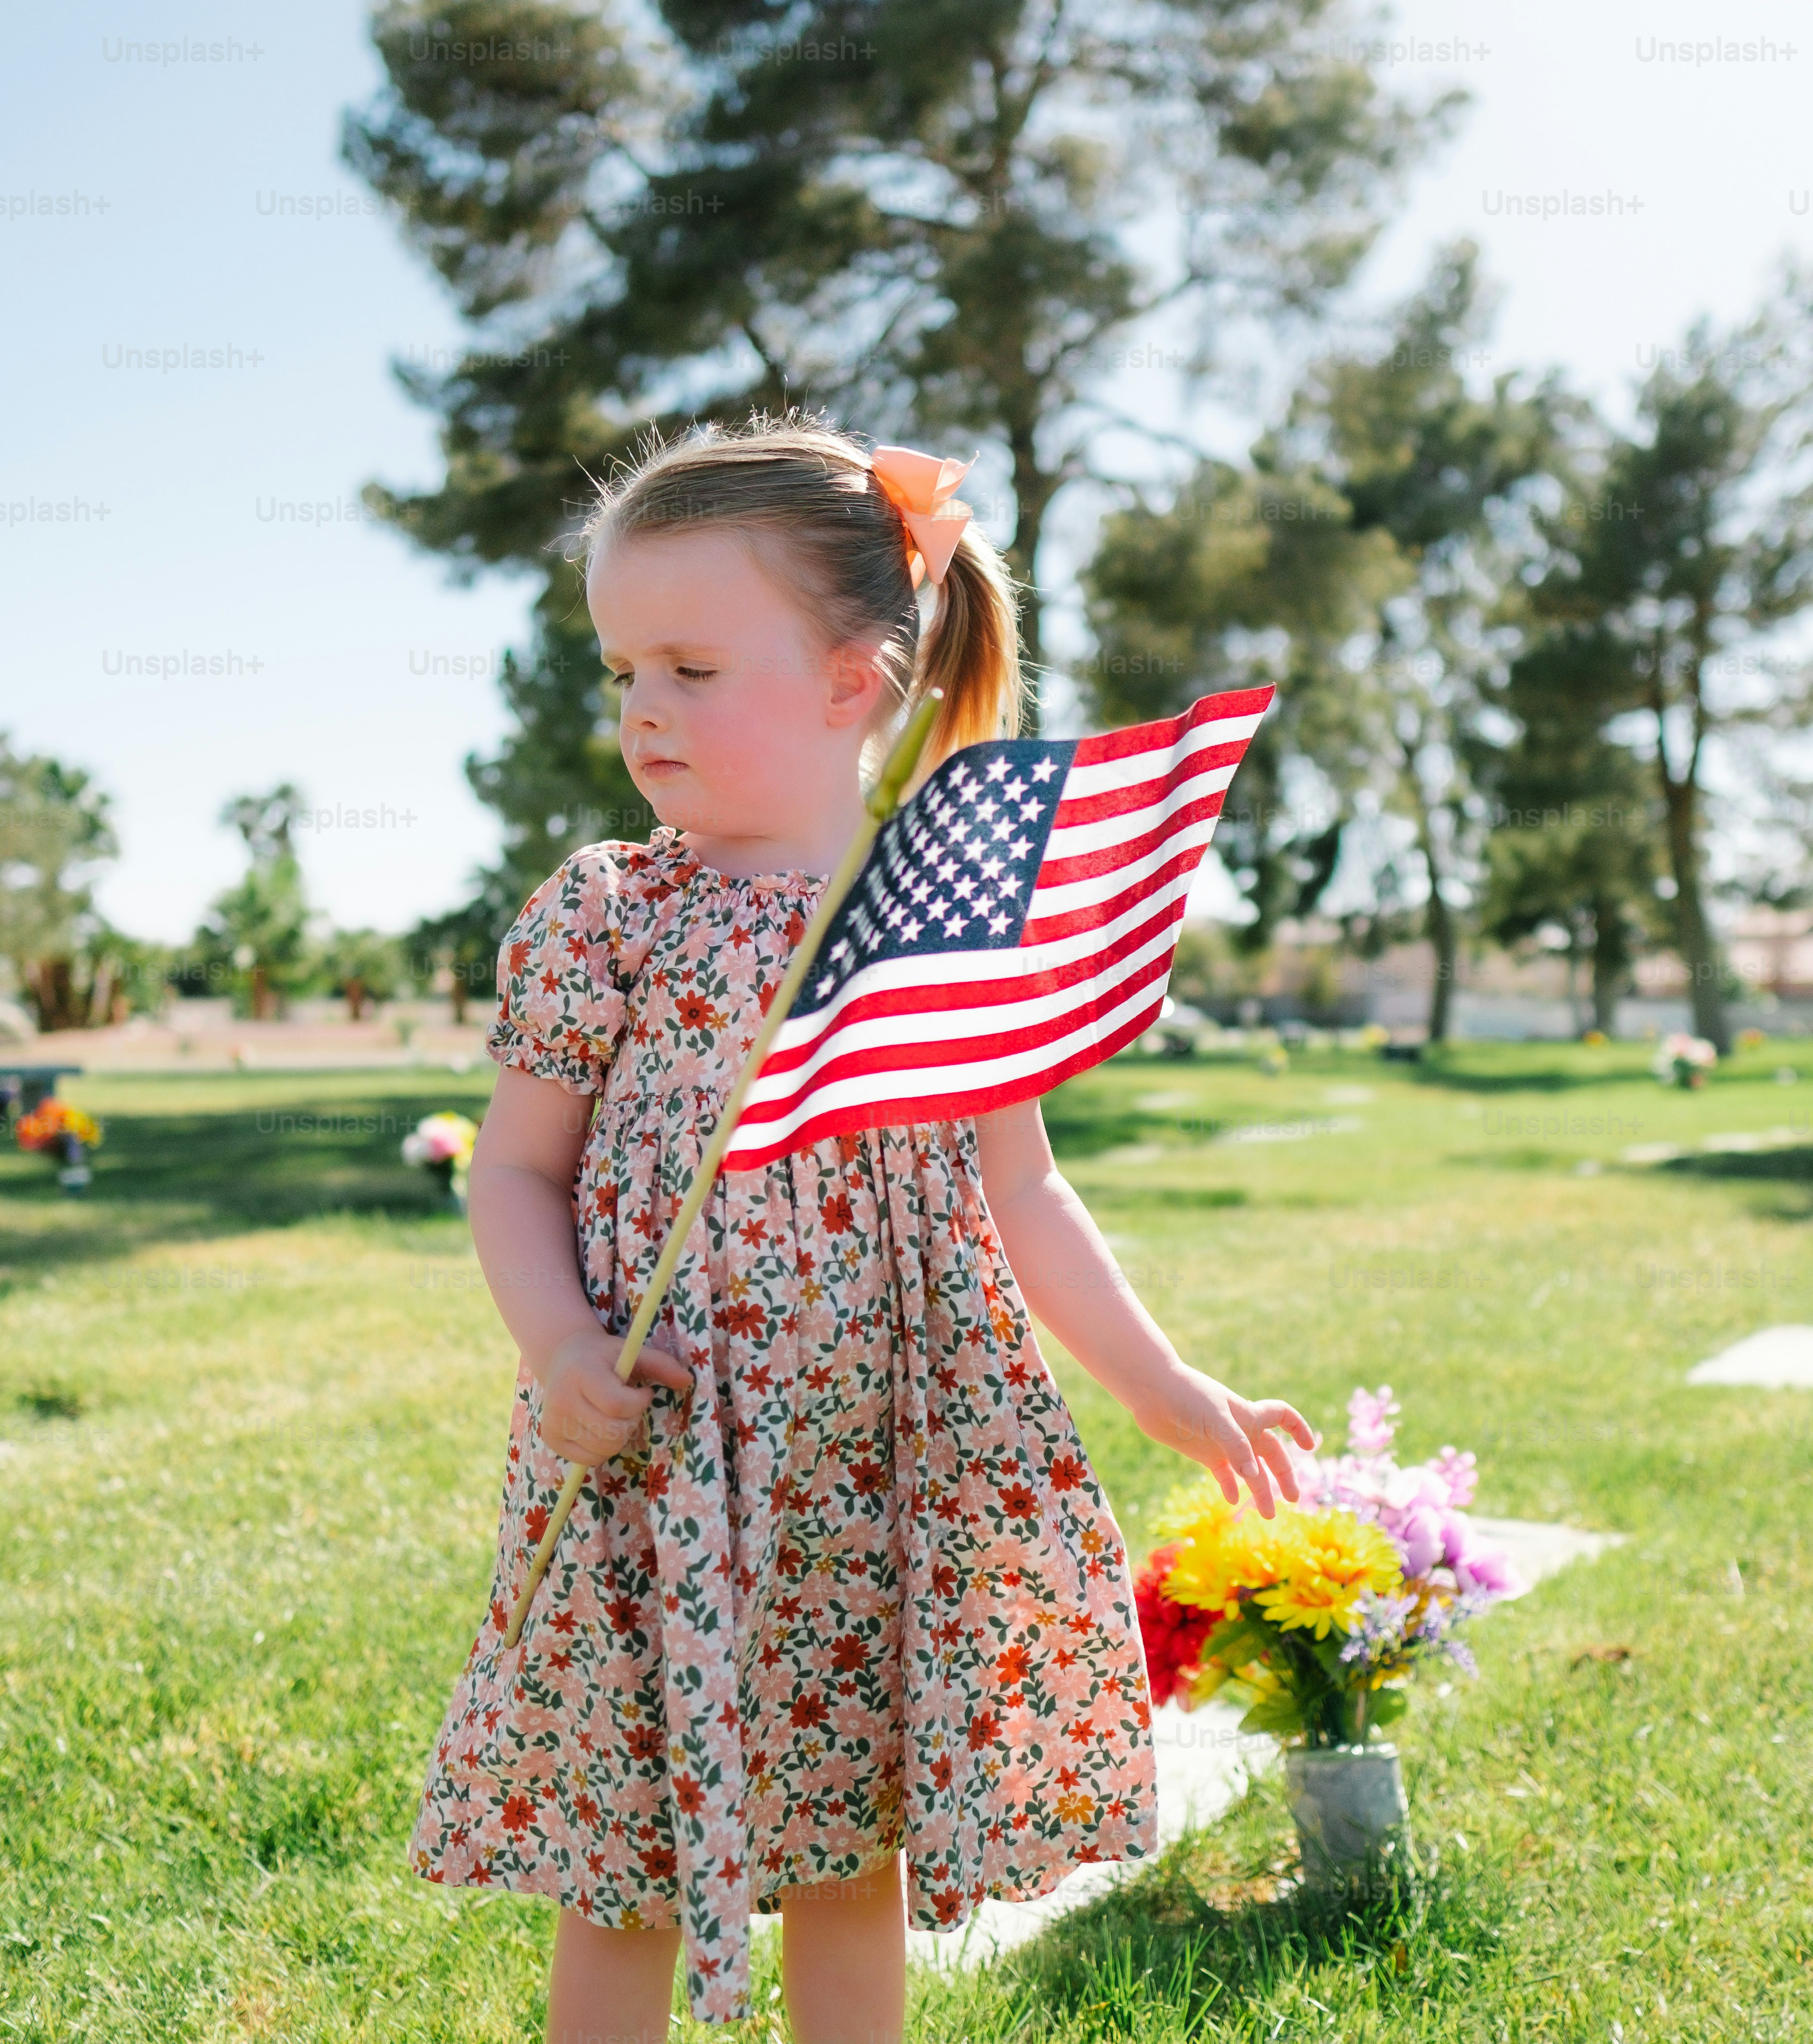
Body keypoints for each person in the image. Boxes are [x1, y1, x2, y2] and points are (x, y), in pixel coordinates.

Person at [408, 413, 1316, 2043]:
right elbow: (515, 1171)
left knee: (850, 1848)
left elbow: (1021, 1186)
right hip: (659, 1447)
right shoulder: (615, 913)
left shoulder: (939, 933)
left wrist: (1166, 1387)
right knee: (624, 1852)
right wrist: (557, 1345)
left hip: (878, 1453)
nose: (641, 709)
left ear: (849, 680)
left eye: (691, 667)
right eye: (626, 670)